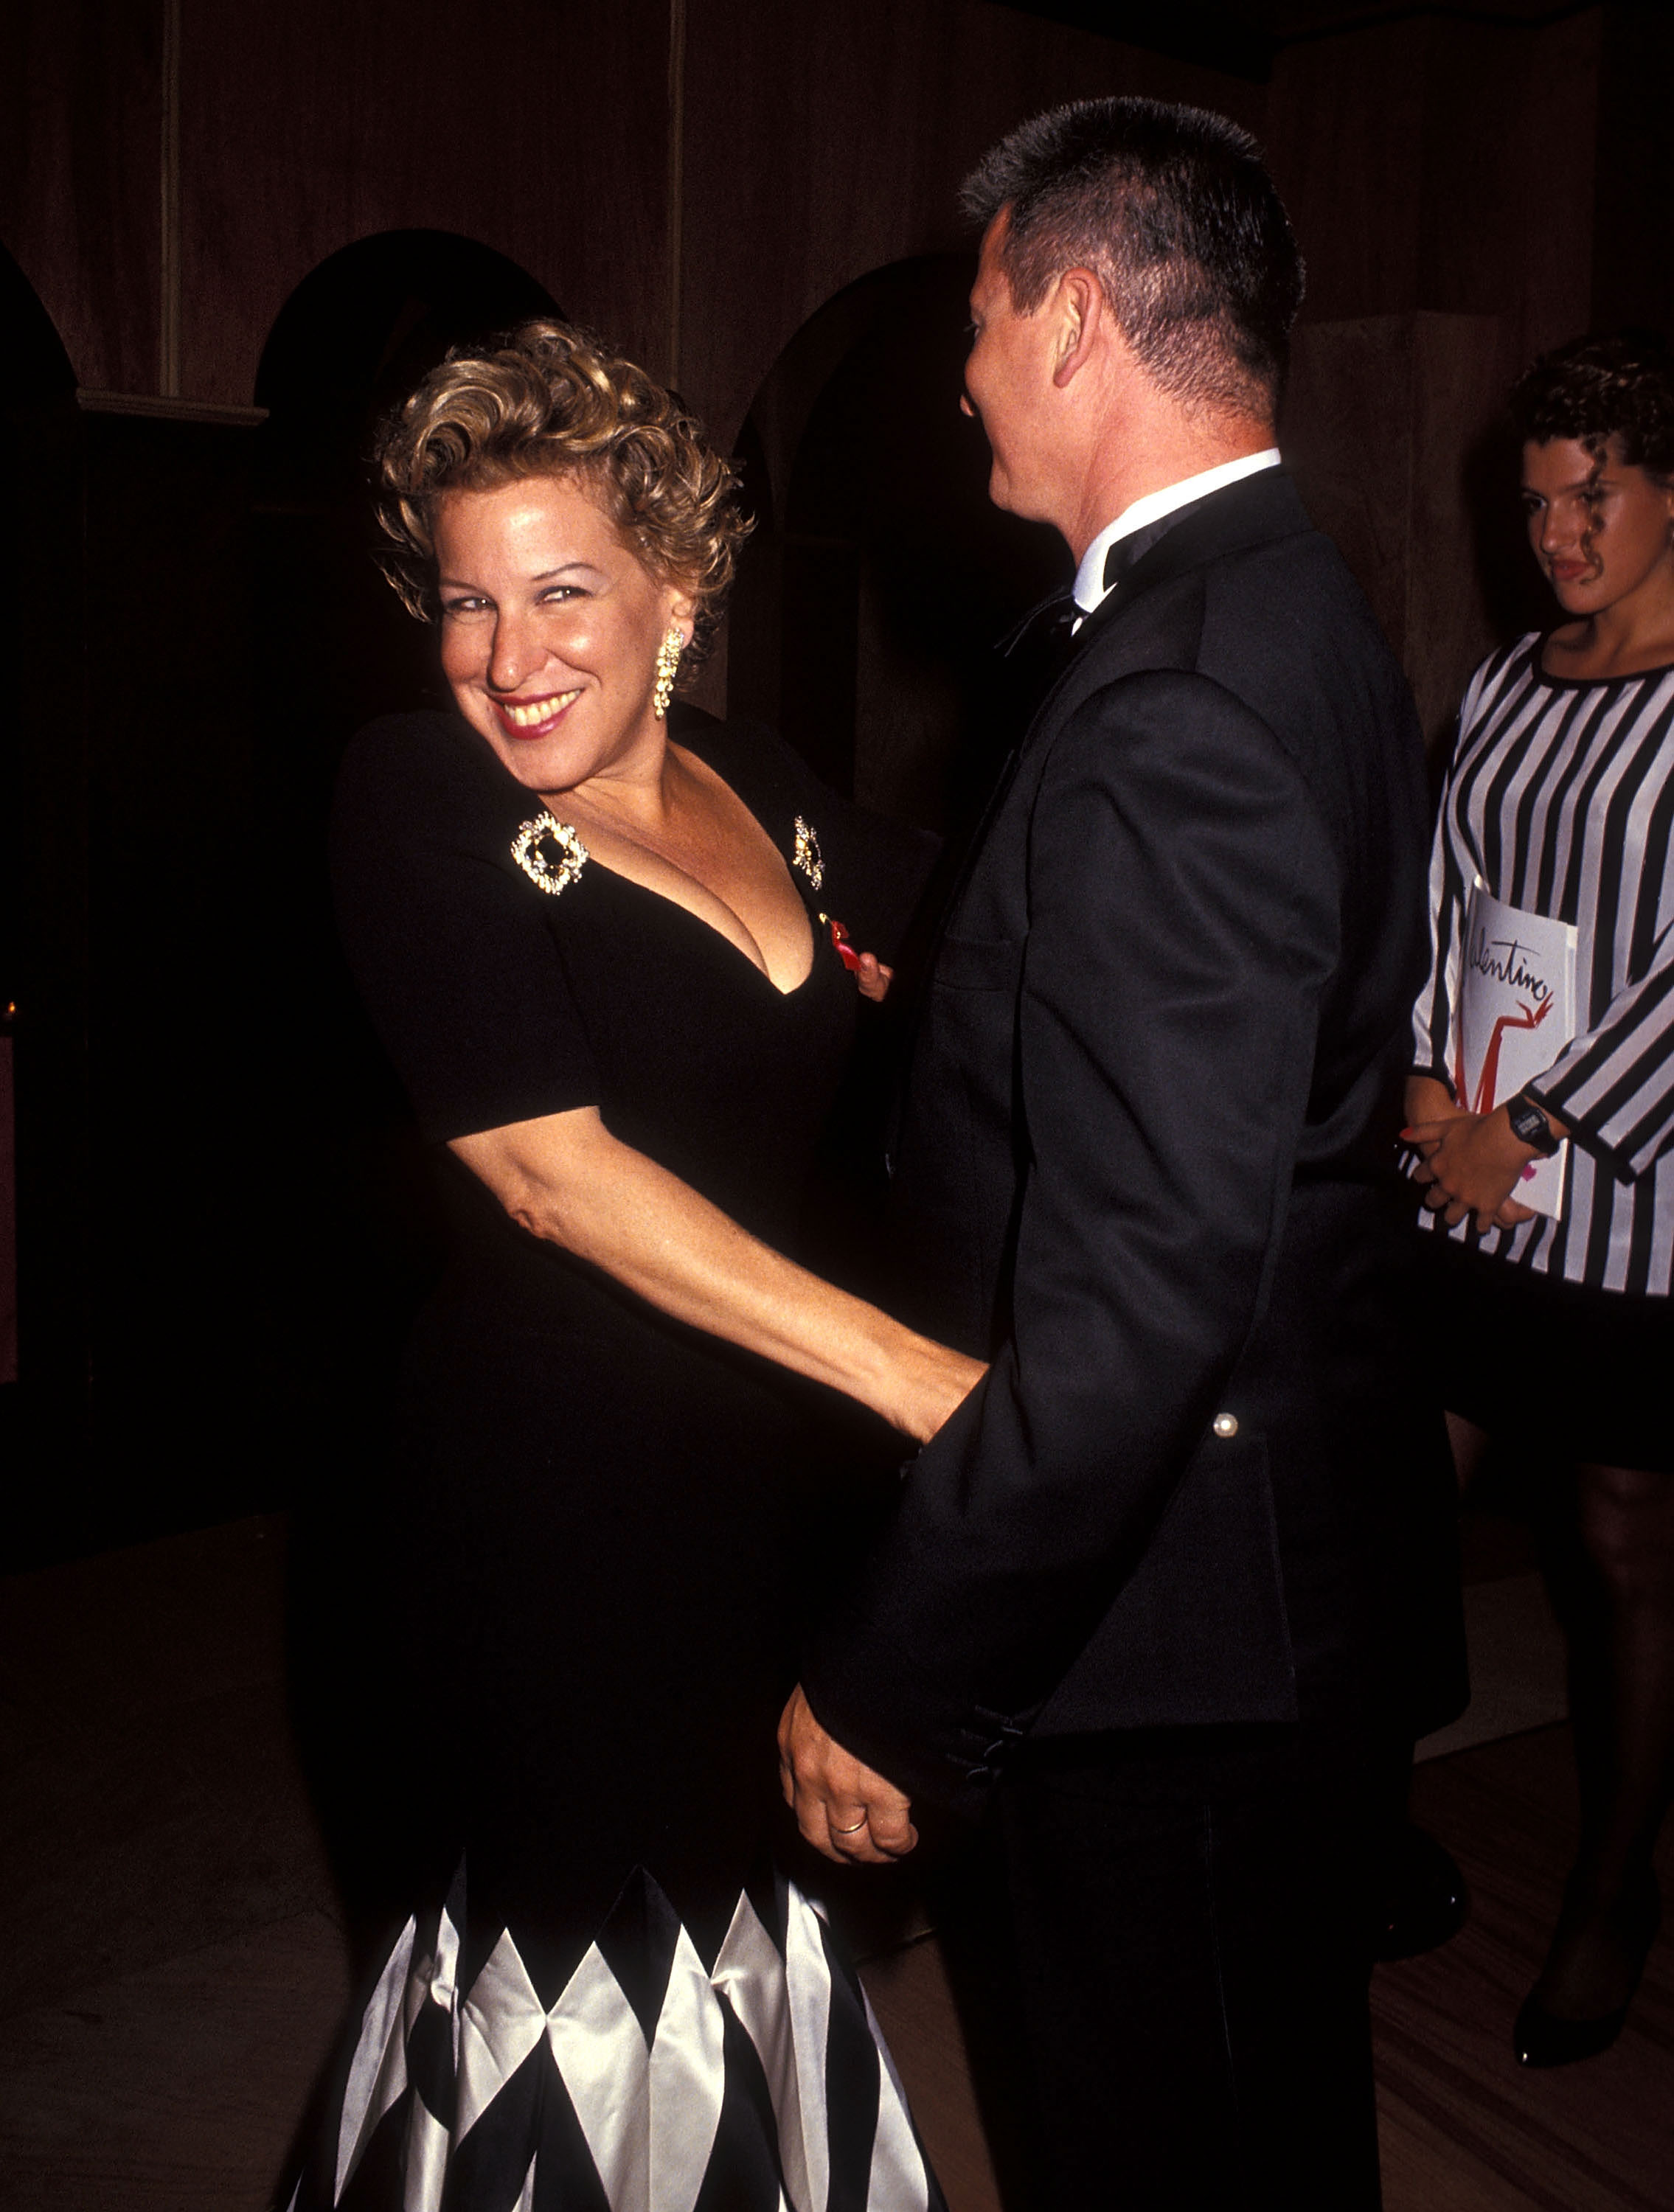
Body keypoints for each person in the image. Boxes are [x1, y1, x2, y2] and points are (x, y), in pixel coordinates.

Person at [779, 97, 1465, 2205]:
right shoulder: (1276, 598)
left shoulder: (1172, 684)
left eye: (978, 318)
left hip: (1156, 1627)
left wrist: (897, 1674)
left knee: (1150, 2142)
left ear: (1070, 318)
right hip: (1265, 1573)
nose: (963, 368)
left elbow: (1139, 1293)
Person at [287, 319, 981, 2210]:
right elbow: (549, 1176)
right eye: (464, 603)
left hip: (766, 1505)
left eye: (563, 589)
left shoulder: (775, 787)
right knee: (565, 1961)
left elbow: (1012, 951)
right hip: (537, 1509)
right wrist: (924, 1383)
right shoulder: (417, 795)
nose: (507, 661)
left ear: (676, 584)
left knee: (752, 1918)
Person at [1405, 331, 1674, 2067]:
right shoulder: (1507, 682)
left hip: (1637, 1203)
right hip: (1464, 1167)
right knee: (1396, 1490)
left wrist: (1549, 1127)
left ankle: (1612, 1891)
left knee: (1622, 1543)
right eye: (1535, 502)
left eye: (1592, 497)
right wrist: (1424, 1083)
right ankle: (1352, 1820)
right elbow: (1449, 895)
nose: (1556, 534)